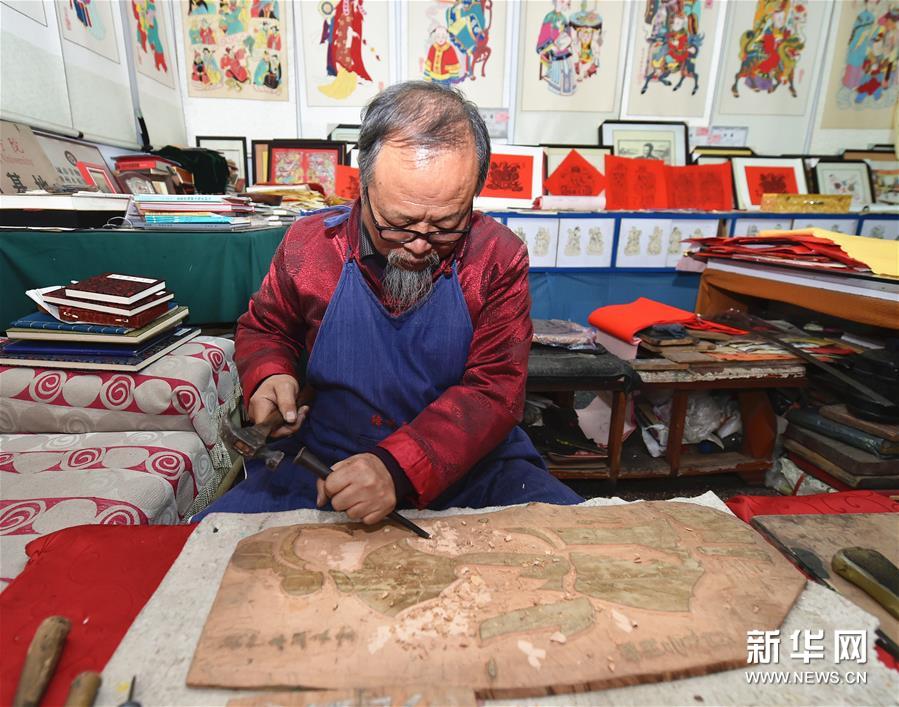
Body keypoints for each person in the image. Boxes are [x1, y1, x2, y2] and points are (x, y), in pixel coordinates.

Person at [196, 81, 582, 523]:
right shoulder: (309, 246)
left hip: (470, 463)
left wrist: (397, 467)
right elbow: (267, 327)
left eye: (445, 226)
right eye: (398, 224)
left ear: (473, 198)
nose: (418, 245)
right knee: (212, 541)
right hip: (326, 458)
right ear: (364, 187)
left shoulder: (497, 257)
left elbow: (495, 390)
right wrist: (270, 375)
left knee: (574, 538)